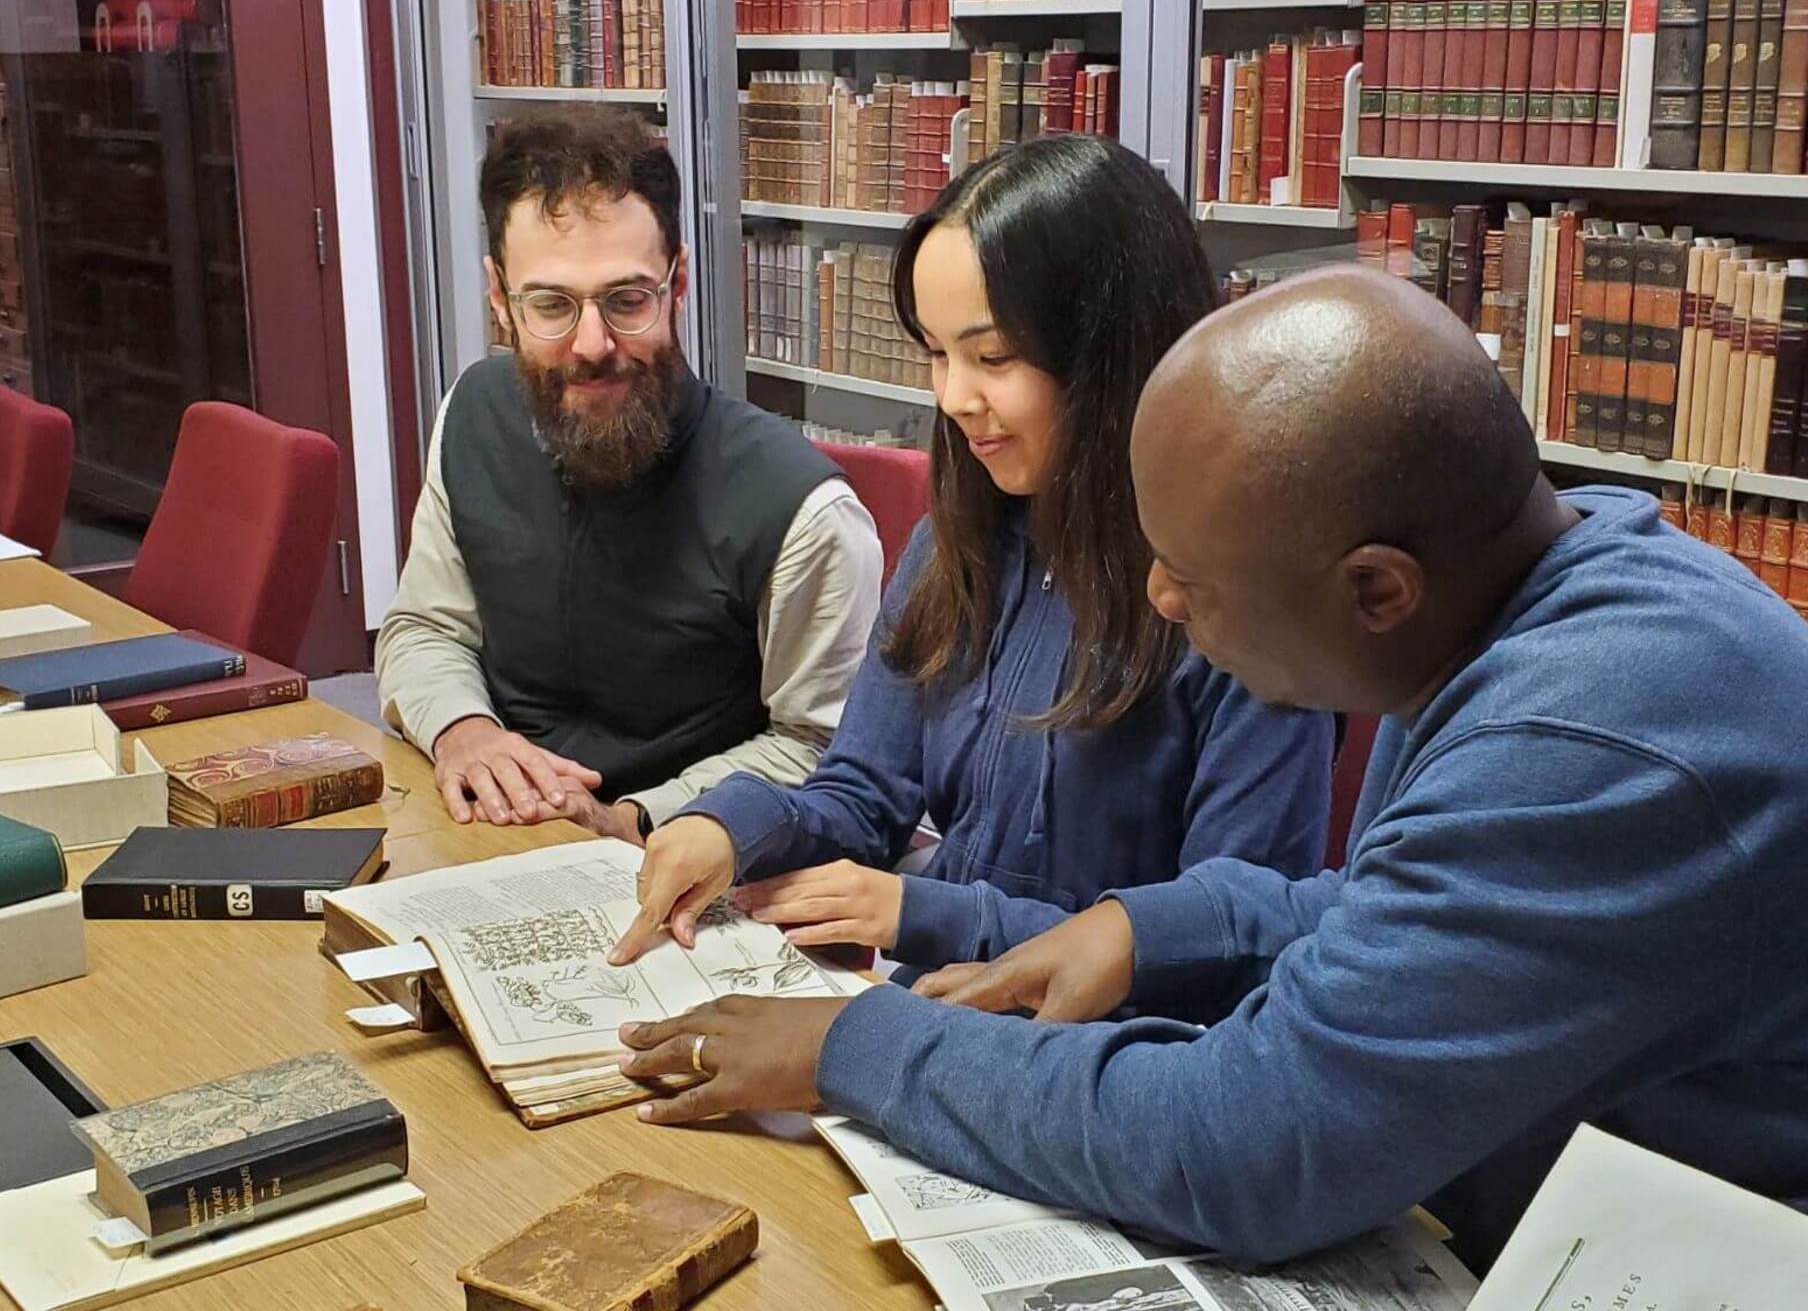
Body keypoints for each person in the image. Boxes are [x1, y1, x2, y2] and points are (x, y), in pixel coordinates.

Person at [613, 267, 1808, 1271]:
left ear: (1374, 589)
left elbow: (1250, 1148)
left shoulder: (1589, 741)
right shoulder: (1525, 578)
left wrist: (851, 1047)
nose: (1159, 599)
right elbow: (1411, 899)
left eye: (1193, 577)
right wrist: (1156, 928)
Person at [609, 137, 1332, 979]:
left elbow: (1224, 951)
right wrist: (728, 825)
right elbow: (863, 793)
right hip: (939, 1017)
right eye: (937, 355)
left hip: (1109, 1069)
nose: (955, 398)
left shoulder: (1241, 600)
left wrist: (930, 913)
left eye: (993, 358)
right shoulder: (965, 537)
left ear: (1113, 352)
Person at [376, 107, 883, 845]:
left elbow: (822, 749)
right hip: (492, 832)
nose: (592, 344)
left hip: (696, 868)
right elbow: (425, 626)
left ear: (677, 287)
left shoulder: (805, 513)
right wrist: (464, 731)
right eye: (550, 304)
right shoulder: (472, 415)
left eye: (626, 300)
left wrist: (633, 818)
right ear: (499, 299)